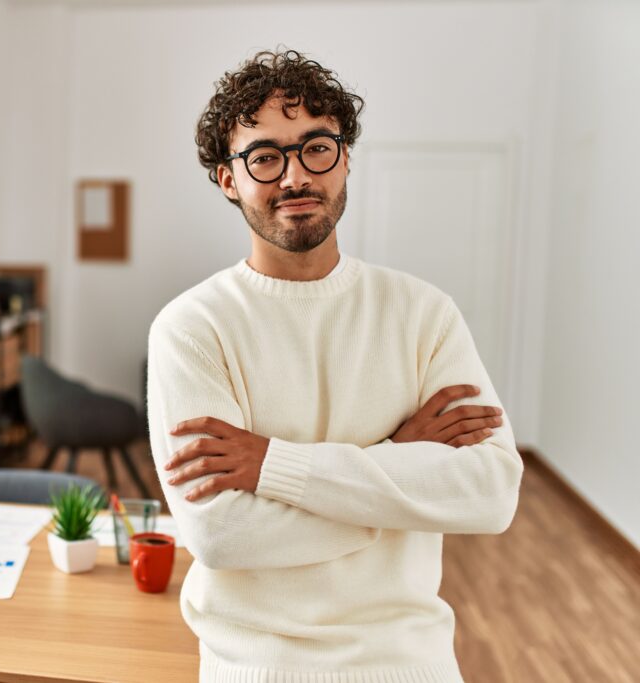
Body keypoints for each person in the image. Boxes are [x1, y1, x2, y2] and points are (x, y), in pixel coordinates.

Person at [147, 49, 523, 683]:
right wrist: (401, 464)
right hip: (258, 666)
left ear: (345, 158)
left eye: (315, 147)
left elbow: (490, 494)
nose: (295, 177)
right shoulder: (192, 329)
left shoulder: (422, 313)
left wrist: (274, 464)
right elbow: (222, 535)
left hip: (413, 662)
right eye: (264, 157)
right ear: (228, 180)